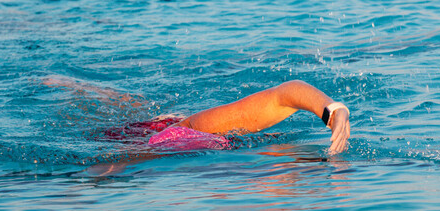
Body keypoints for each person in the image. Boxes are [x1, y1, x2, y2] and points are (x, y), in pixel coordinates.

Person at [43, 77, 350, 154]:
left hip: (176, 128)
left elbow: (285, 94)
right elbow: (285, 94)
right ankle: (72, 87)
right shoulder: (197, 131)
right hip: (158, 132)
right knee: (130, 116)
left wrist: (334, 110)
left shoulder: (213, 130)